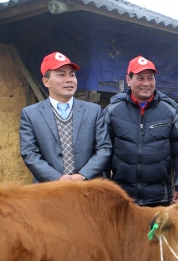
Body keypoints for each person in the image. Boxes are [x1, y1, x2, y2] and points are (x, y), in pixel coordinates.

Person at [103, 56, 178, 207]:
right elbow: (103, 152)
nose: (146, 83)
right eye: (140, 78)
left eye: (150, 78)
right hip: (123, 198)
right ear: (128, 80)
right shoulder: (113, 111)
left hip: (160, 198)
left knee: (156, 231)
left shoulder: (170, 111)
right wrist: (104, 187)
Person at [20, 52, 111, 183]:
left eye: (72, 75)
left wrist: (83, 175)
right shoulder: (30, 114)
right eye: (61, 74)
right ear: (46, 82)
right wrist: (57, 178)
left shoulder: (93, 110)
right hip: (49, 190)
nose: (69, 79)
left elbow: (104, 148)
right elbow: (30, 153)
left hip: (88, 188)